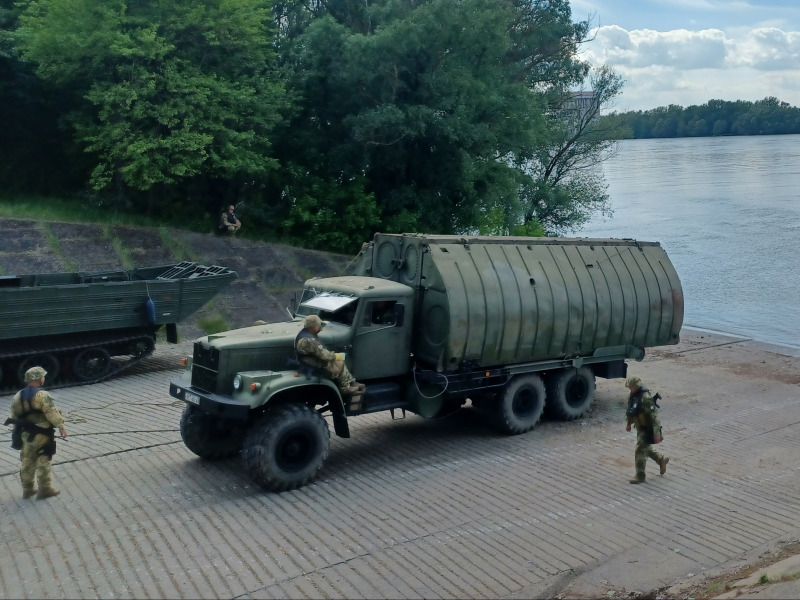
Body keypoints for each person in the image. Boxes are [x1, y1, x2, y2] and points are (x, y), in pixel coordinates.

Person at [7, 366, 68, 499]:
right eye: (43, 376)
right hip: (43, 435)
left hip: (26, 435)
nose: (44, 378)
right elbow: (51, 412)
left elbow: (15, 416)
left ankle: (28, 489)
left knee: (27, 461)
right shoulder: (42, 395)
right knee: (44, 460)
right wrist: (61, 426)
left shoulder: (18, 395)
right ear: (39, 379)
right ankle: (45, 489)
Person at [295, 314, 365, 396]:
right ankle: (345, 388)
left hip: (308, 359)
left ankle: (351, 381)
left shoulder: (305, 333)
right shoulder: (309, 340)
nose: (321, 326)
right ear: (313, 327)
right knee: (339, 362)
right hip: (310, 362)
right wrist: (337, 355)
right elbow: (325, 356)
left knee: (338, 360)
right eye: (319, 325)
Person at [625, 376, 668, 484]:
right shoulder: (633, 395)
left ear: (637, 386)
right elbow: (630, 410)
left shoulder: (645, 397)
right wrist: (629, 424)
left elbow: (655, 415)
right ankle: (661, 459)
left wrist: (657, 432)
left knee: (640, 449)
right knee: (645, 448)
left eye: (632, 387)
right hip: (640, 427)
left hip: (648, 427)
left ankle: (640, 475)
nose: (630, 389)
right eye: (629, 387)